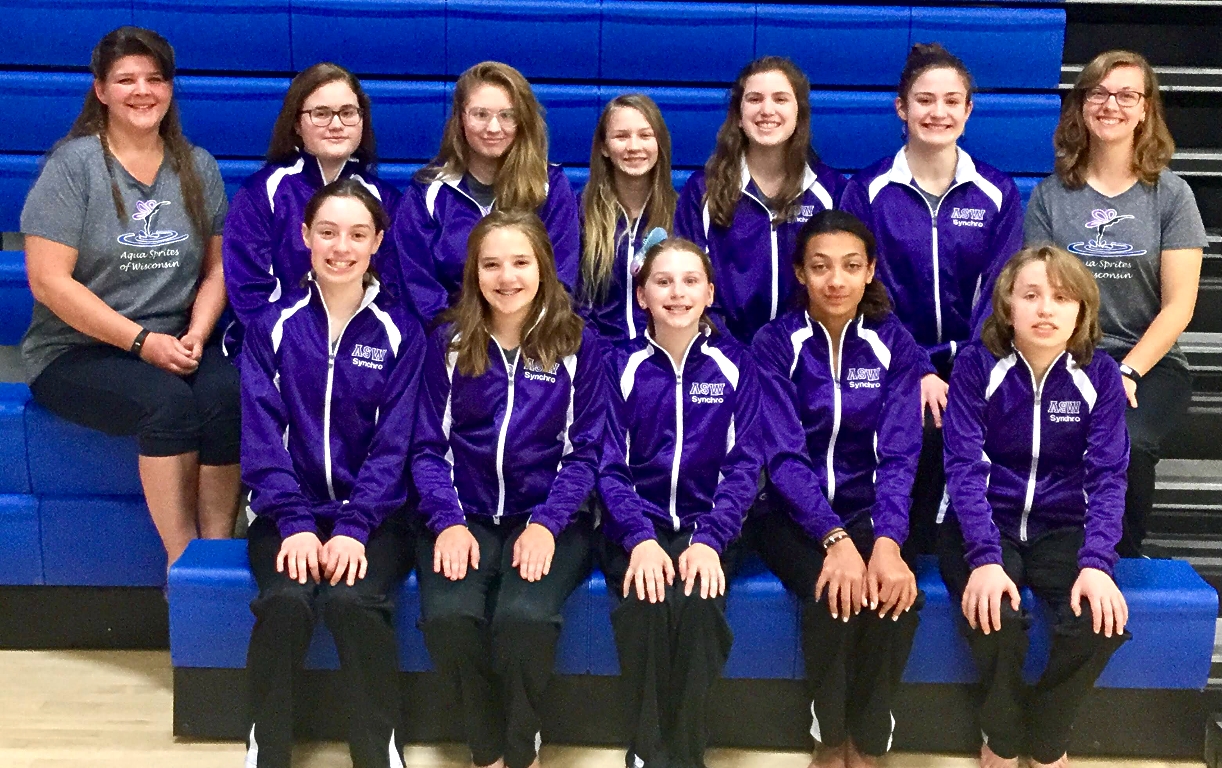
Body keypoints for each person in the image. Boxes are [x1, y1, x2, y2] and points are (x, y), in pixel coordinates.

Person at [20, 26, 238, 567]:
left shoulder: (197, 166)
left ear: (170, 88)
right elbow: (48, 281)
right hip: (77, 351)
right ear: (101, 90)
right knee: (167, 405)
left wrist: (197, 333)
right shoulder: (73, 166)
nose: (142, 91)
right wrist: (142, 342)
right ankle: (182, 564)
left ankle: (216, 561)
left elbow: (218, 268)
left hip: (174, 339)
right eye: (126, 80)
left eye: (155, 79)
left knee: (228, 395)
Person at [240, 179, 423, 768]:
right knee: (286, 600)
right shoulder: (271, 326)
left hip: (375, 519)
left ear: (377, 243)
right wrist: (294, 522)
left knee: (353, 601)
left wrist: (354, 526)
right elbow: (262, 439)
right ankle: (266, 748)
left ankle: (378, 750)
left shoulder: (402, 333)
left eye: (357, 234)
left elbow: (395, 447)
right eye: (328, 232)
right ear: (305, 237)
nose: (341, 247)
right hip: (284, 514)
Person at [411, 210, 604, 768]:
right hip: (462, 514)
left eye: (520, 262)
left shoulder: (578, 344)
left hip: (549, 517)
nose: (507, 277)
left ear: (543, 267)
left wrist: (547, 523)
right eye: (491, 264)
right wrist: (448, 522)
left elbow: (586, 451)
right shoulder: (449, 341)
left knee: (525, 619)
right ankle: (486, 747)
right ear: (474, 273)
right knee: (450, 618)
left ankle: (522, 749)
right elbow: (426, 448)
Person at [941, 245, 1131, 768]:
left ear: (1081, 311)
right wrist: (984, 557)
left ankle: (1047, 734)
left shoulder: (1101, 375)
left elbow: (1108, 476)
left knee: (1100, 622)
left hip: (1063, 525)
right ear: (1008, 306)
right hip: (986, 523)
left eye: (1061, 298)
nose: (1046, 309)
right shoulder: (976, 366)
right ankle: (1002, 735)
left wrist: (1097, 563)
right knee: (994, 616)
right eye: (1031, 295)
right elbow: (963, 465)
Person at [751, 211, 924, 768]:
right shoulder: (774, 343)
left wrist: (887, 542)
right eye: (821, 267)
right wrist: (834, 538)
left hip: (872, 511)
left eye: (851, 267)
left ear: (870, 271)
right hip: (789, 516)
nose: (836, 281)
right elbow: (783, 456)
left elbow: (900, 454)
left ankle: (869, 741)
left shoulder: (892, 342)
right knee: (834, 597)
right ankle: (828, 738)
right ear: (799, 272)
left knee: (894, 599)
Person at [840, 43, 1024, 557]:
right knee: (917, 429)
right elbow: (861, 290)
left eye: (951, 101)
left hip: (979, 358)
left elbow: (1001, 289)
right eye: (924, 100)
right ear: (901, 108)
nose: (937, 112)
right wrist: (916, 366)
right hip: (891, 358)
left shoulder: (997, 191)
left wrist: (968, 368)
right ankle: (900, 555)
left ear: (969, 110)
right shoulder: (867, 190)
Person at [1024, 50, 1206, 557]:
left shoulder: (1172, 196)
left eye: (1127, 95)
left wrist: (1126, 371)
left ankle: (1118, 559)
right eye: (1099, 93)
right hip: (1065, 357)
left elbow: (1180, 306)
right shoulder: (1050, 196)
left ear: (1145, 109)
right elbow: (1037, 292)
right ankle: (1052, 551)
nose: (1111, 105)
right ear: (1082, 105)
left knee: (1127, 441)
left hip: (1147, 364)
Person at [598, 237, 762, 768]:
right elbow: (607, 465)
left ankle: (686, 756)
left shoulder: (735, 365)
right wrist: (639, 538)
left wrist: (710, 539)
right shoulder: (617, 365)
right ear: (641, 295)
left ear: (709, 293)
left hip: (708, 527)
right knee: (645, 604)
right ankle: (647, 754)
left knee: (698, 605)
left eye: (690, 281)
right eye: (662, 281)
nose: (677, 293)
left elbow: (745, 465)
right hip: (634, 525)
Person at [222, 63, 402, 356]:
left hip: (358, 354)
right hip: (274, 352)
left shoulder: (387, 201)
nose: (336, 124)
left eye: (347, 113)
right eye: (321, 113)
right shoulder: (261, 194)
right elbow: (249, 292)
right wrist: (301, 354)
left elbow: (393, 291)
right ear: (296, 124)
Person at [388, 61, 580, 324]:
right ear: (461, 119)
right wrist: (461, 336)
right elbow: (417, 286)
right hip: (452, 339)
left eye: (507, 115)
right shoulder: (426, 193)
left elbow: (561, 279)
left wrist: (520, 335)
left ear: (523, 120)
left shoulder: (550, 187)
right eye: (480, 114)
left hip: (533, 336)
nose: (493, 128)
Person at [675, 56, 846, 344]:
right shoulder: (702, 190)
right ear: (738, 116)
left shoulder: (832, 191)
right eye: (755, 99)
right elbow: (688, 283)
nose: (767, 110)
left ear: (799, 113)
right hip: (722, 352)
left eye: (780, 99)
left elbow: (845, 287)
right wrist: (729, 351)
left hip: (807, 353)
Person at [577, 94, 677, 342]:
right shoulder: (579, 212)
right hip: (595, 353)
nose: (634, 146)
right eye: (621, 136)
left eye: (645, 135)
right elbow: (569, 301)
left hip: (662, 355)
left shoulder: (681, 212)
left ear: (660, 143)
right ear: (604, 147)